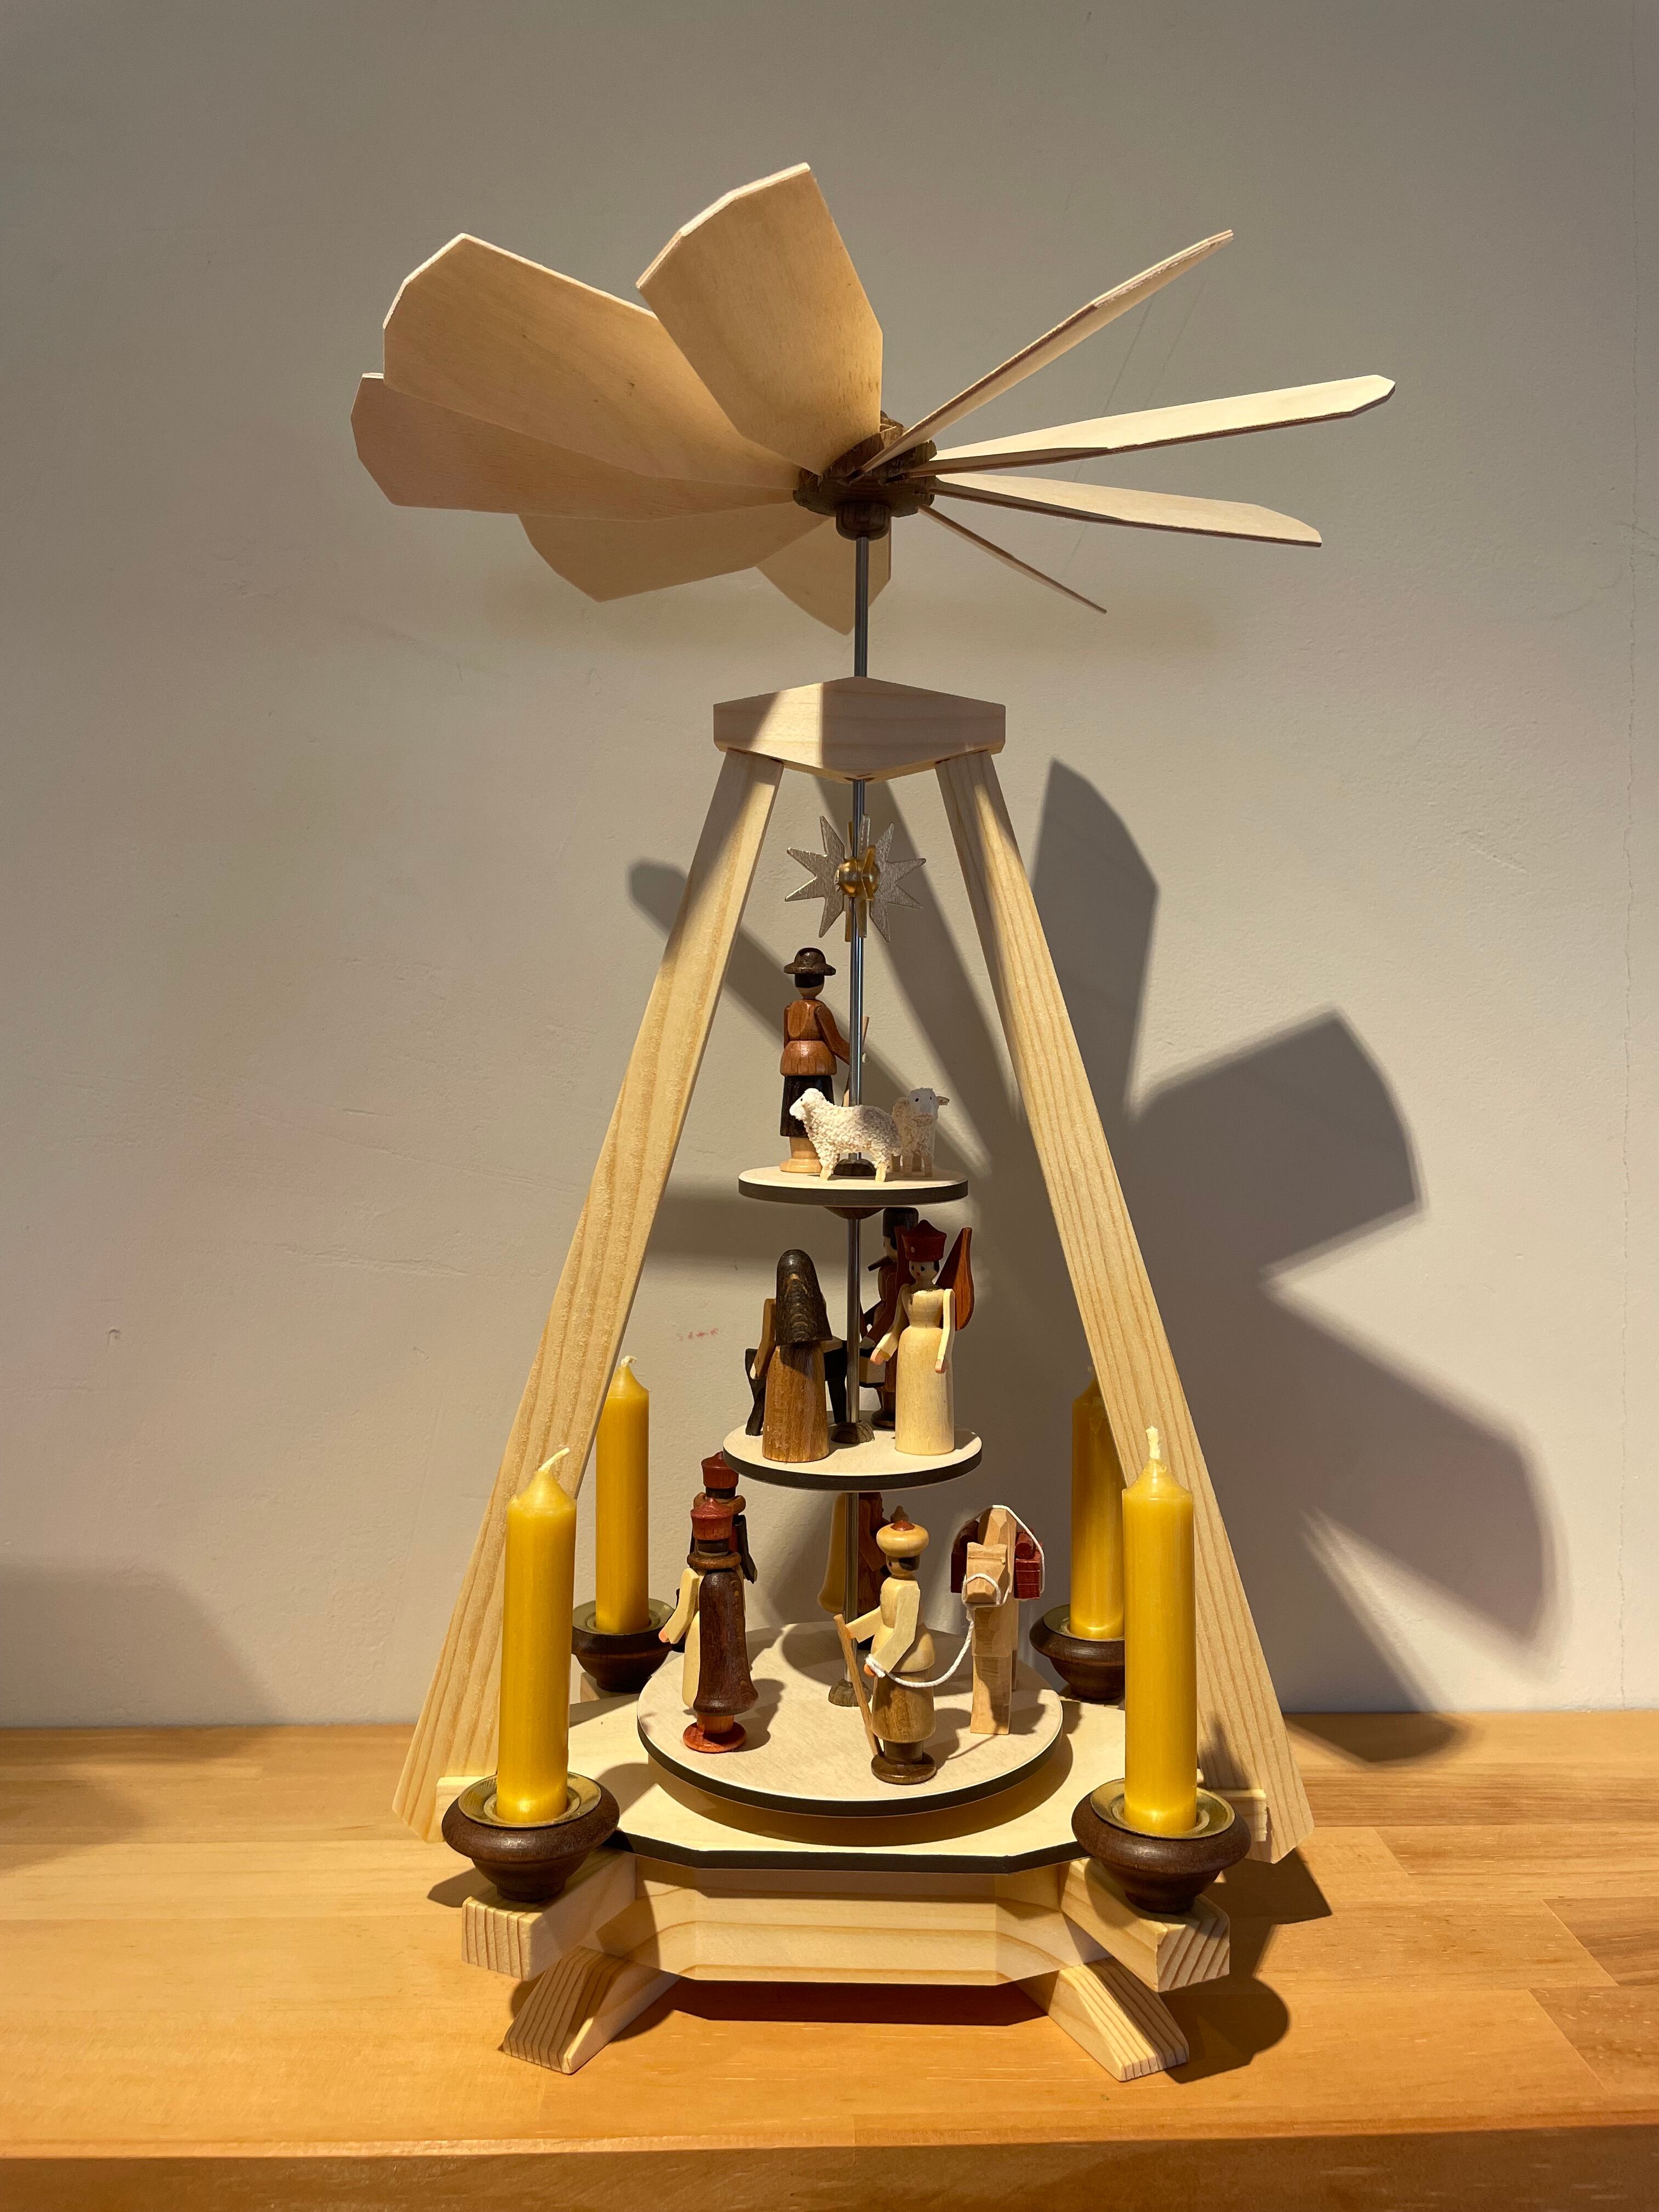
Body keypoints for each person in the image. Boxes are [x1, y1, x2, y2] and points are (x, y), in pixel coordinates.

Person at [778, 948, 852, 1173]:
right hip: (817, 1067)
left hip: (792, 1065)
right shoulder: (820, 1010)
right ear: (821, 982)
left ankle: (798, 1155)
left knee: (794, 1109)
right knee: (818, 1113)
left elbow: (786, 1040)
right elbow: (835, 1042)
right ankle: (815, 1156)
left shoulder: (790, 1009)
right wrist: (855, 1056)